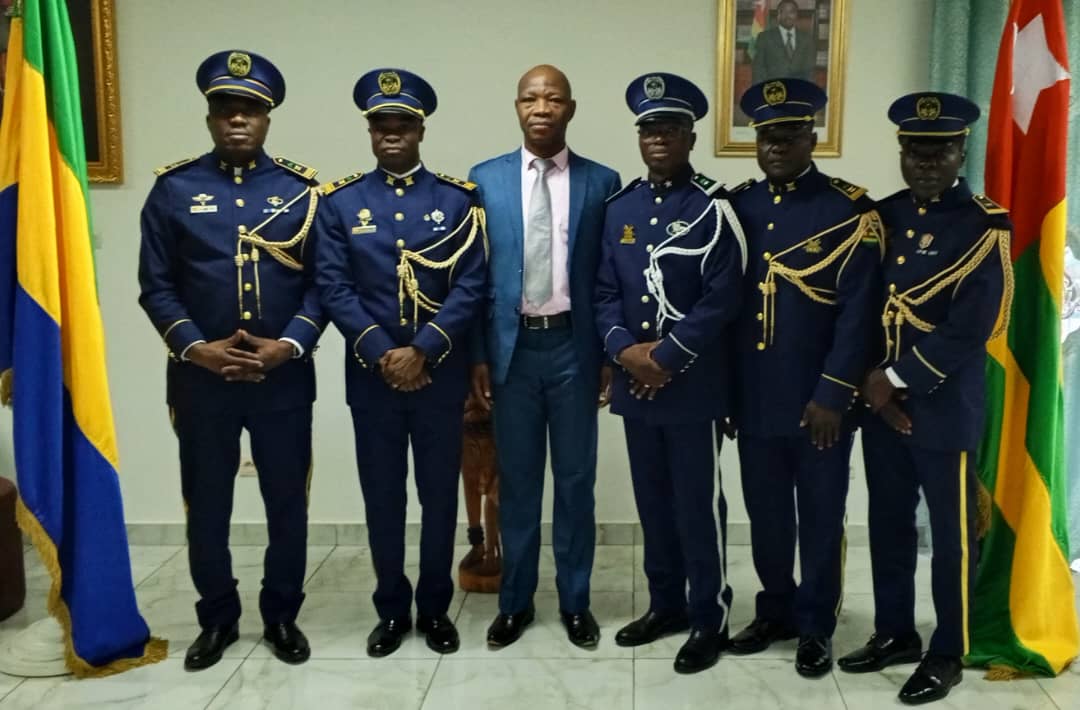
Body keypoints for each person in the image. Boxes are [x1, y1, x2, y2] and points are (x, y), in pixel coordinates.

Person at [138, 49, 323, 670]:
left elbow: (325, 284)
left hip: (283, 379)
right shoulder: (174, 189)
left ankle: (280, 615)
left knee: (286, 501)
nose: (237, 121)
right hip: (201, 381)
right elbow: (156, 285)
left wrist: (287, 345)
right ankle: (217, 617)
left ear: (268, 119)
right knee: (207, 502)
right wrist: (198, 348)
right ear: (209, 118)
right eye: (225, 110)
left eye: (250, 111)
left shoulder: (303, 191)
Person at [838, 92, 1011, 706]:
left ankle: (948, 650)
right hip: (882, 407)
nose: (927, 160)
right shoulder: (881, 219)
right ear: (902, 152)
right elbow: (859, 312)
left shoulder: (986, 225)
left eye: (940, 149)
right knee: (887, 525)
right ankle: (895, 631)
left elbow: (972, 326)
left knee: (951, 535)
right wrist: (875, 391)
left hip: (941, 407)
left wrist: (899, 379)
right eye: (916, 149)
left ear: (962, 150)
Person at [315, 68, 487, 658]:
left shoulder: (456, 199)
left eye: (403, 125)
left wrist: (425, 348)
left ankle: (435, 609)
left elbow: (472, 283)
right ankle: (392, 608)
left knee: (439, 496)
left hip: (439, 377)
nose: (392, 135)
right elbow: (333, 286)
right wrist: (381, 352)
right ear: (369, 131)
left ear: (421, 130)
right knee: (383, 498)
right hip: (374, 381)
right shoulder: (340, 203)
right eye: (381, 126)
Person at [729, 78, 883, 678]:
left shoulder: (849, 210)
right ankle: (775, 609)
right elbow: (726, 309)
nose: (776, 146)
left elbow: (858, 317)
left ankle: (816, 622)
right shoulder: (739, 207)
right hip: (755, 398)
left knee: (821, 513)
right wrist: (729, 395)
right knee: (765, 513)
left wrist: (833, 395)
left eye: (789, 135)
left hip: (821, 402)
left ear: (811, 137)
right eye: (767, 136)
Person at [595, 72, 745, 674]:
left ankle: (709, 615)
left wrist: (666, 357)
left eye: (670, 128)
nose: (657, 137)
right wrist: (625, 351)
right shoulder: (619, 208)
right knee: (652, 503)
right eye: (648, 128)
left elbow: (723, 296)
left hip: (692, 385)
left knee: (696, 505)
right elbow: (604, 290)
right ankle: (665, 605)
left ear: (690, 136)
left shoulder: (715, 205)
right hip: (635, 384)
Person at [468, 65, 620, 650]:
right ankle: (516, 602)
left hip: (574, 350)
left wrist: (609, 352)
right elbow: (475, 277)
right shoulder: (484, 180)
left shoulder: (602, 182)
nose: (541, 107)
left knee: (577, 481)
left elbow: (612, 278)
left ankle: (576, 602)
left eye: (553, 98)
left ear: (570, 109)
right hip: (512, 352)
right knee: (520, 480)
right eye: (531, 98)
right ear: (516, 107)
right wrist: (478, 354)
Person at [751, 0, 817, 85]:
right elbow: (758, 71)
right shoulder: (765, 38)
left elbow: (809, 72)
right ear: (778, 15)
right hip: (773, 92)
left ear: (797, 15)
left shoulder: (807, 40)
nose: (788, 16)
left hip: (798, 92)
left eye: (791, 12)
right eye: (783, 12)